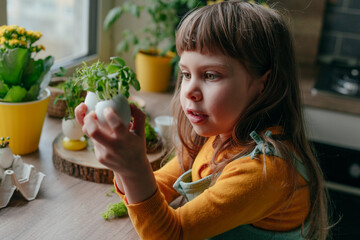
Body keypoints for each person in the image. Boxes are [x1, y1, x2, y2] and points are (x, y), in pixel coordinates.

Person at [75, 1, 330, 239]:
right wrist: (124, 162)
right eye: (185, 74)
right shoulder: (219, 135)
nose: (189, 91)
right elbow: (157, 188)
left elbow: (170, 234)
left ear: (263, 83)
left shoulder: (265, 171)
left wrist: (132, 168)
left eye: (210, 75)